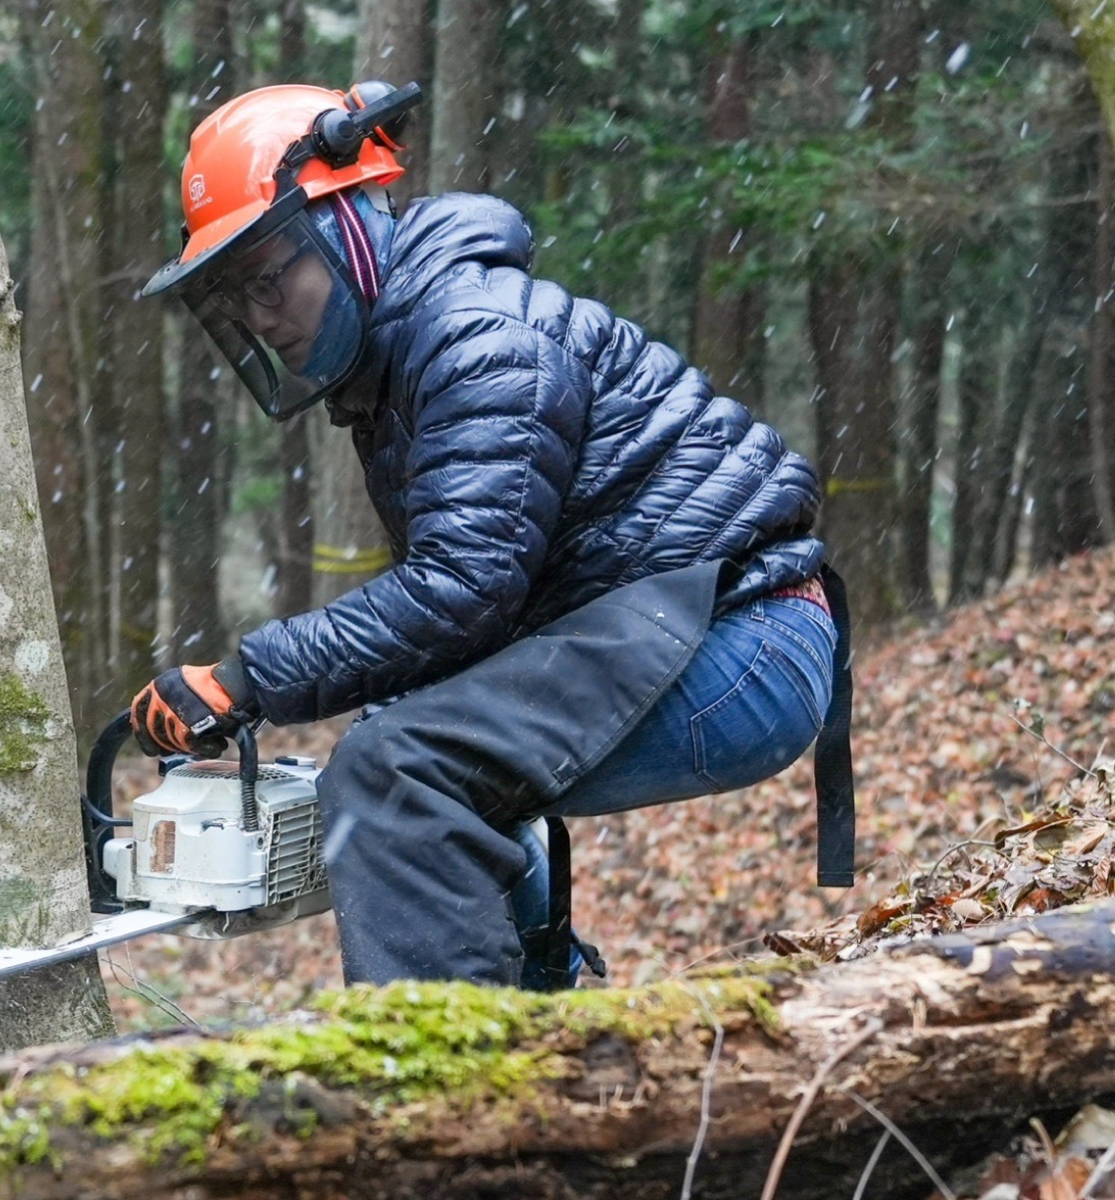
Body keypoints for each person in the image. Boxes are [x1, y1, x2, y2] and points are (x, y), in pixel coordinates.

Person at [124, 81, 856, 990]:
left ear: (350, 226)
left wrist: (247, 680)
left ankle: (453, 1076)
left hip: (738, 636)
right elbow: (473, 603)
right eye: (241, 299)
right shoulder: (408, 362)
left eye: (272, 277)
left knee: (398, 777)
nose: (265, 318)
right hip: (680, 622)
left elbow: (461, 590)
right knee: (414, 738)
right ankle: (545, 1009)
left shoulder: (477, 339)